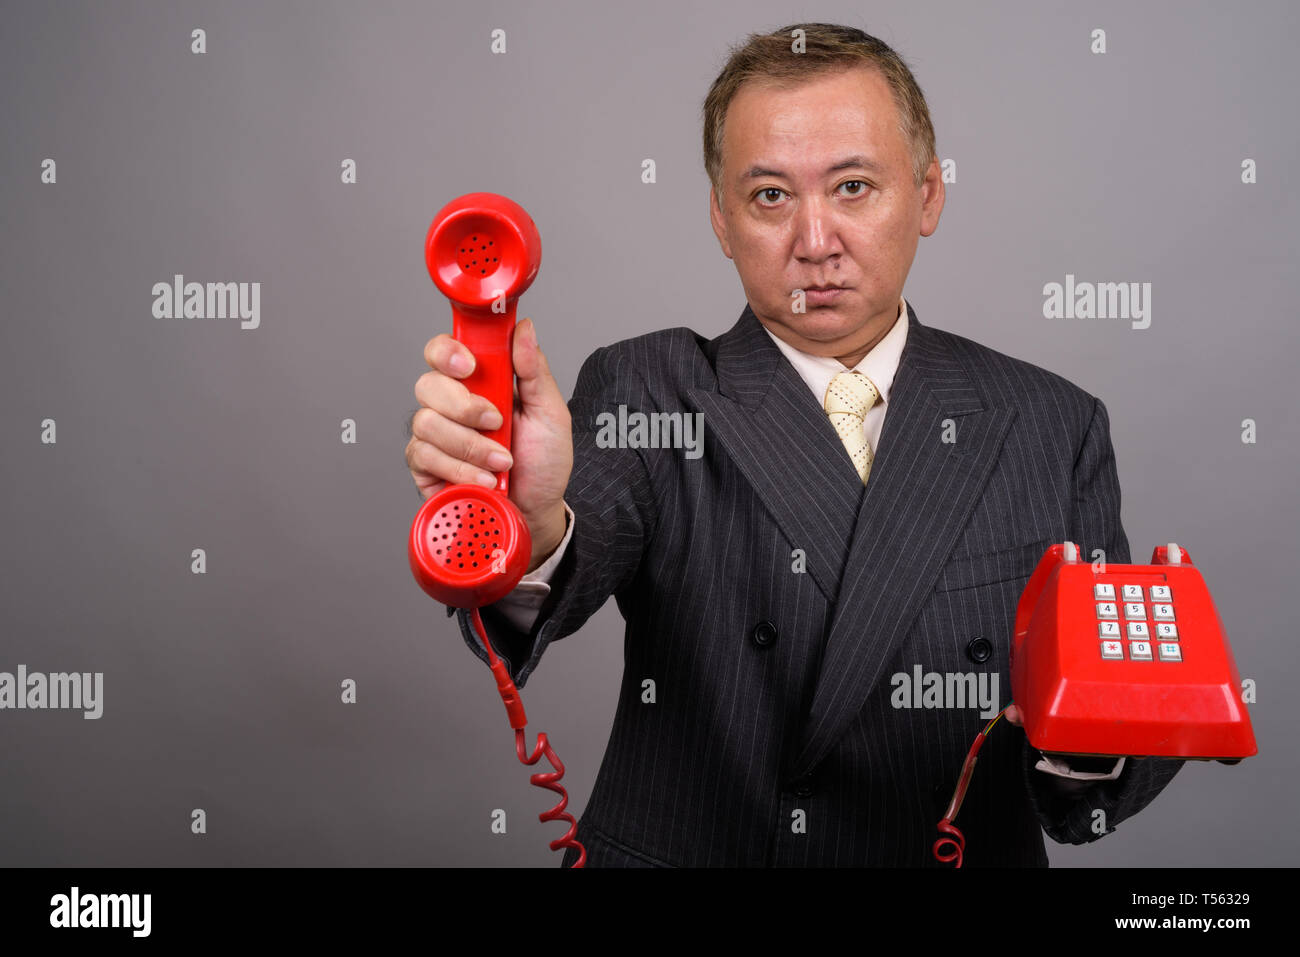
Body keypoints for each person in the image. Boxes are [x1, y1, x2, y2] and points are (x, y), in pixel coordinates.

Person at [405, 22, 1183, 866]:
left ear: (927, 195)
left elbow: (1092, 790)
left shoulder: (1049, 422)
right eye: (770, 196)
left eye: (853, 186)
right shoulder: (650, 386)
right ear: (721, 218)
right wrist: (527, 524)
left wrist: (1087, 738)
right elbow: (575, 548)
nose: (815, 242)